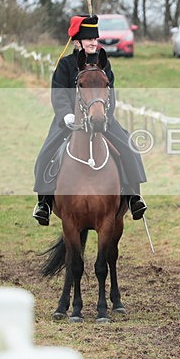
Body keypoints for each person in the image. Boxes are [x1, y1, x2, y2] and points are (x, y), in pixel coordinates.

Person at [32, 14, 147, 226]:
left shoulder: (103, 62)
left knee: (129, 148)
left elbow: (111, 93)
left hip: (102, 118)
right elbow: (58, 93)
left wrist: (105, 115)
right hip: (70, 121)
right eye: (88, 39)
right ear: (77, 42)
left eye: (95, 38)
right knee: (45, 154)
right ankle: (44, 203)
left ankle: (133, 197)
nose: (94, 42)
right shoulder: (65, 65)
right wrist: (66, 114)